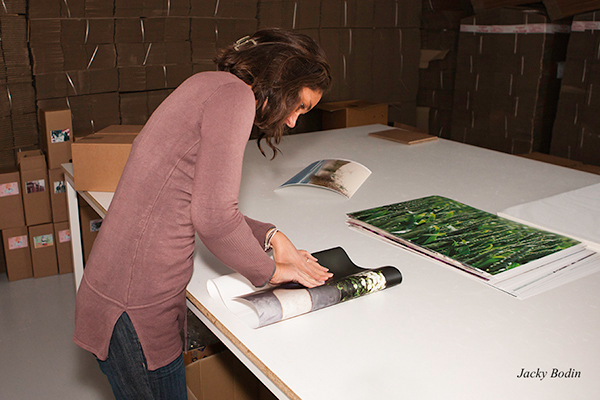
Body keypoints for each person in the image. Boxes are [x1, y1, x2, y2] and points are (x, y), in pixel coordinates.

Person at [73, 28, 333, 399]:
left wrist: (273, 238)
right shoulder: (235, 99)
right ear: (282, 80)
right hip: (138, 308)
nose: (293, 121)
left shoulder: (207, 84)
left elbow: (197, 201)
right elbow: (213, 217)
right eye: (300, 105)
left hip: (118, 293)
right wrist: (272, 272)